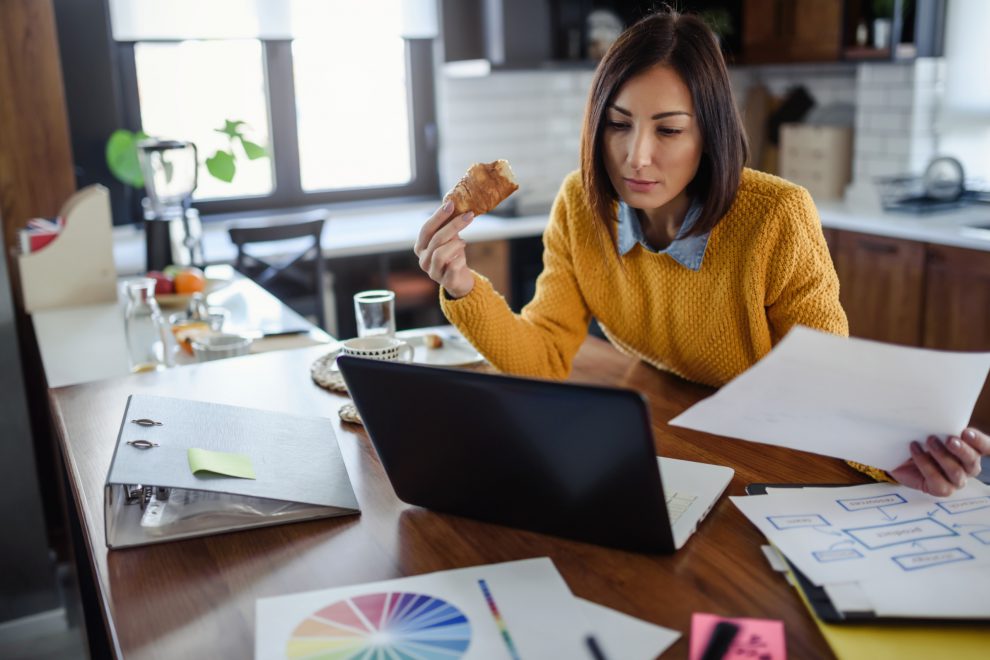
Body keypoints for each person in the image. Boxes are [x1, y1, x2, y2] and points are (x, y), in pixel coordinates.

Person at [413, 9, 987, 495]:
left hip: (766, 451)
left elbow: (824, 383)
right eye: (618, 125)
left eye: (668, 131)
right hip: (672, 431)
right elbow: (543, 357)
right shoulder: (580, 205)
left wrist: (889, 457)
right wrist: (462, 289)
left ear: (708, 132)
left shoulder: (775, 217)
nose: (637, 157)